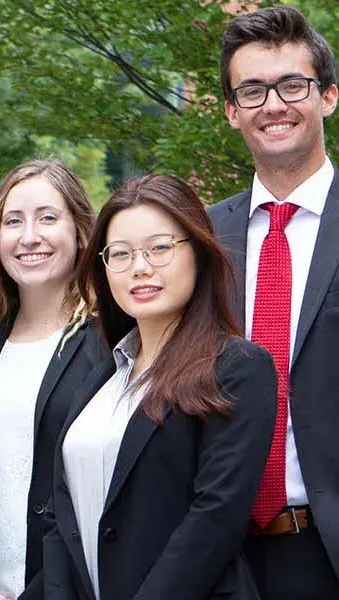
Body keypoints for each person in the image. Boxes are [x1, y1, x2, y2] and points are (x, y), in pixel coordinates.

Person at [44, 174, 277, 599]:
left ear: (199, 251)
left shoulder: (237, 368)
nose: (140, 267)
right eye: (121, 254)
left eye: (160, 248)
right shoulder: (101, 379)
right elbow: (62, 524)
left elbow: (214, 519)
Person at [210, 6, 339, 598]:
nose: (274, 104)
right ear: (232, 112)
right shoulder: (202, 240)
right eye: (253, 91)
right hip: (221, 556)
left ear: (328, 96)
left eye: (293, 85)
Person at [0, 159, 104, 600]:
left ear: (81, 232)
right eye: (14, 221)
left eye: (48, 218)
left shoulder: (110, 349)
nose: (29, 236)